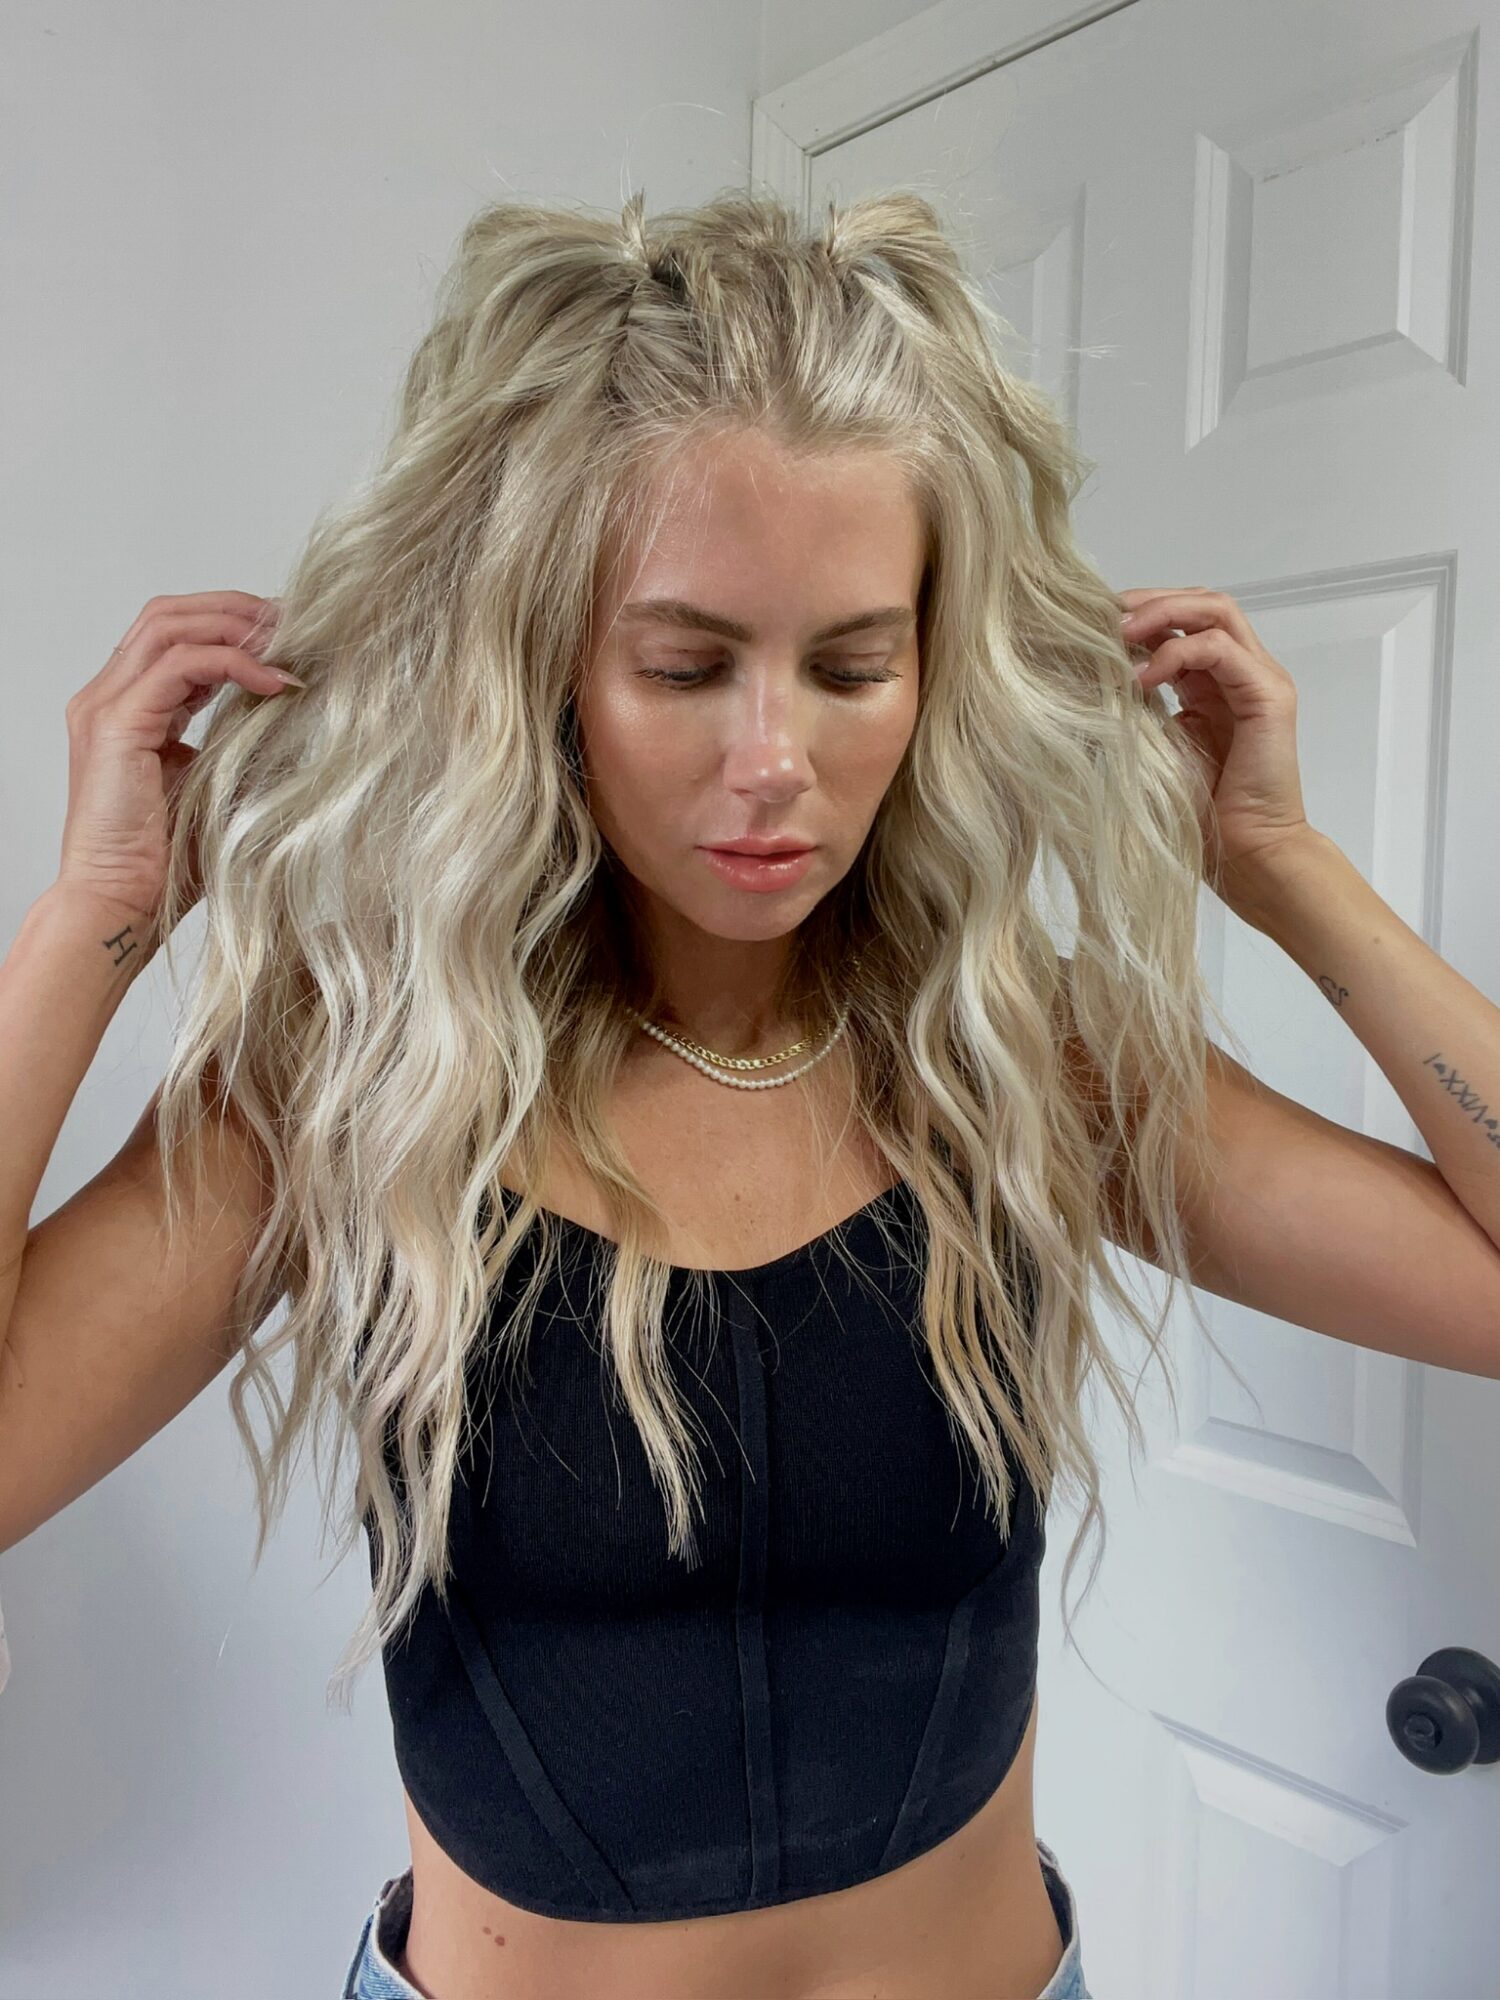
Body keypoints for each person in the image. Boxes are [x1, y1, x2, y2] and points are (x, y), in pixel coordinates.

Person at [6, 186, 1500, 2000]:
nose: (776, 763)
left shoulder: (1029, 1058)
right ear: (545, 667)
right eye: (686, 665)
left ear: (935, 673)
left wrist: (1283, 867)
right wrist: (94, 922)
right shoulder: (364, 1076)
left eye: (855, 663)